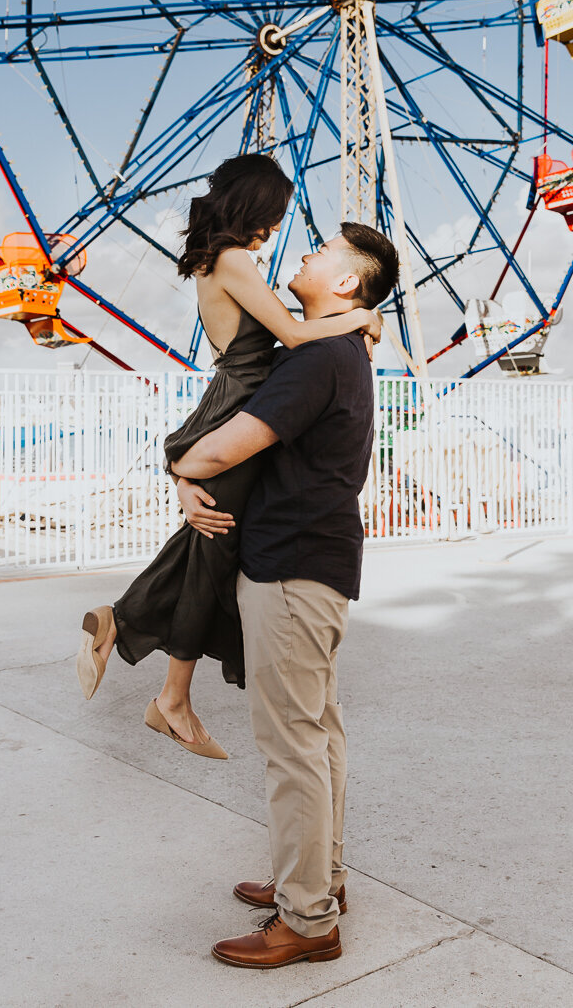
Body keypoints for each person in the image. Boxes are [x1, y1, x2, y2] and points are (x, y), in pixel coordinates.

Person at [75, 155, 381, 759]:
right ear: (257, 205)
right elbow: (292, 336)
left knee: (211, 539)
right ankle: (154, 673)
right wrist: (360, 317)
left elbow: (283, 328)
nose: (277, 227)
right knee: (216, 542)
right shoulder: (234, 260)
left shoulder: (222, 261)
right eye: (276, 214)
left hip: (235, 399)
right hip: (239, 401)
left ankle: (153, 668)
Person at [170, 223, 400, 969]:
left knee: (292, 746)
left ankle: (306, 921)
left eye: (322, 253)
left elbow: (219, 449)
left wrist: (181, 468)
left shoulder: (319, 358)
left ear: (345, 285)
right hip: (320, 561)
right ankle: (318, 881)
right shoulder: (341, 351)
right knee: (318, 732)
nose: (305, 253)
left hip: (290, 568)